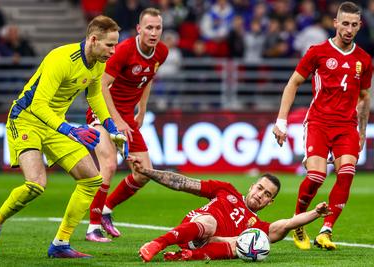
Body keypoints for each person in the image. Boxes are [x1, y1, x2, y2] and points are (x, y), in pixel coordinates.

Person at [0, 15, 127, 258]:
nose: (113, 51)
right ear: (93, 40)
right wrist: (70, 129)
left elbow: (94, 97)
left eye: (115, 45)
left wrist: (112, 128)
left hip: (55, 124)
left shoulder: (98, 63)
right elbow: (38, 105)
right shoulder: (61, 58)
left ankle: (60, 243)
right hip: (26, 119)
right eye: (110, 45)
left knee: (91, 180)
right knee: (36, 184)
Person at [272, 2, 372, 251]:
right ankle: (298, 221)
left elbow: (364, 97)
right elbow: (293, 83)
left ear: (360, 26)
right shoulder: (318, 52)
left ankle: (326, 230)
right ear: (335, 23)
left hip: (346, 126)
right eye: (344, 23)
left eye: (354, 24)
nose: (348, 29)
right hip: (318, 122)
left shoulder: (364, 60)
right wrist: (281, 122)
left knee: (347, 173)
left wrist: (361, 132)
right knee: (316, 176)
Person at [127, 156, 331, 262]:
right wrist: (146, 172)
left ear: (270, 202)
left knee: (246, 244)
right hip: (196, 228)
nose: (260, 195)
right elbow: (183, 182)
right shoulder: (225, 189)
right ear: (252, 187)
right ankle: (157, 244)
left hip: (209, 246)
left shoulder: (258, 227)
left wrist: (315, 213)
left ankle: (184, 257)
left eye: (267, 195)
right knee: (209, 223)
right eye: (260, 188)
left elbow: (289, 223)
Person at [84, 7, 168, 242]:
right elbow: (101, 86)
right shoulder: (123, 51)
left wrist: (142, 109)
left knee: (143, 173)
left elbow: (147, 79)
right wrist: (117, 120)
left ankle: (106, 210)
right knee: (109, 165)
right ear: (139, 29)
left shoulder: (162, 51)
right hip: (102, 114)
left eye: (158, 28)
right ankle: (92, 227)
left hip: (127, 119)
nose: (154, 32)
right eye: (149, 27)